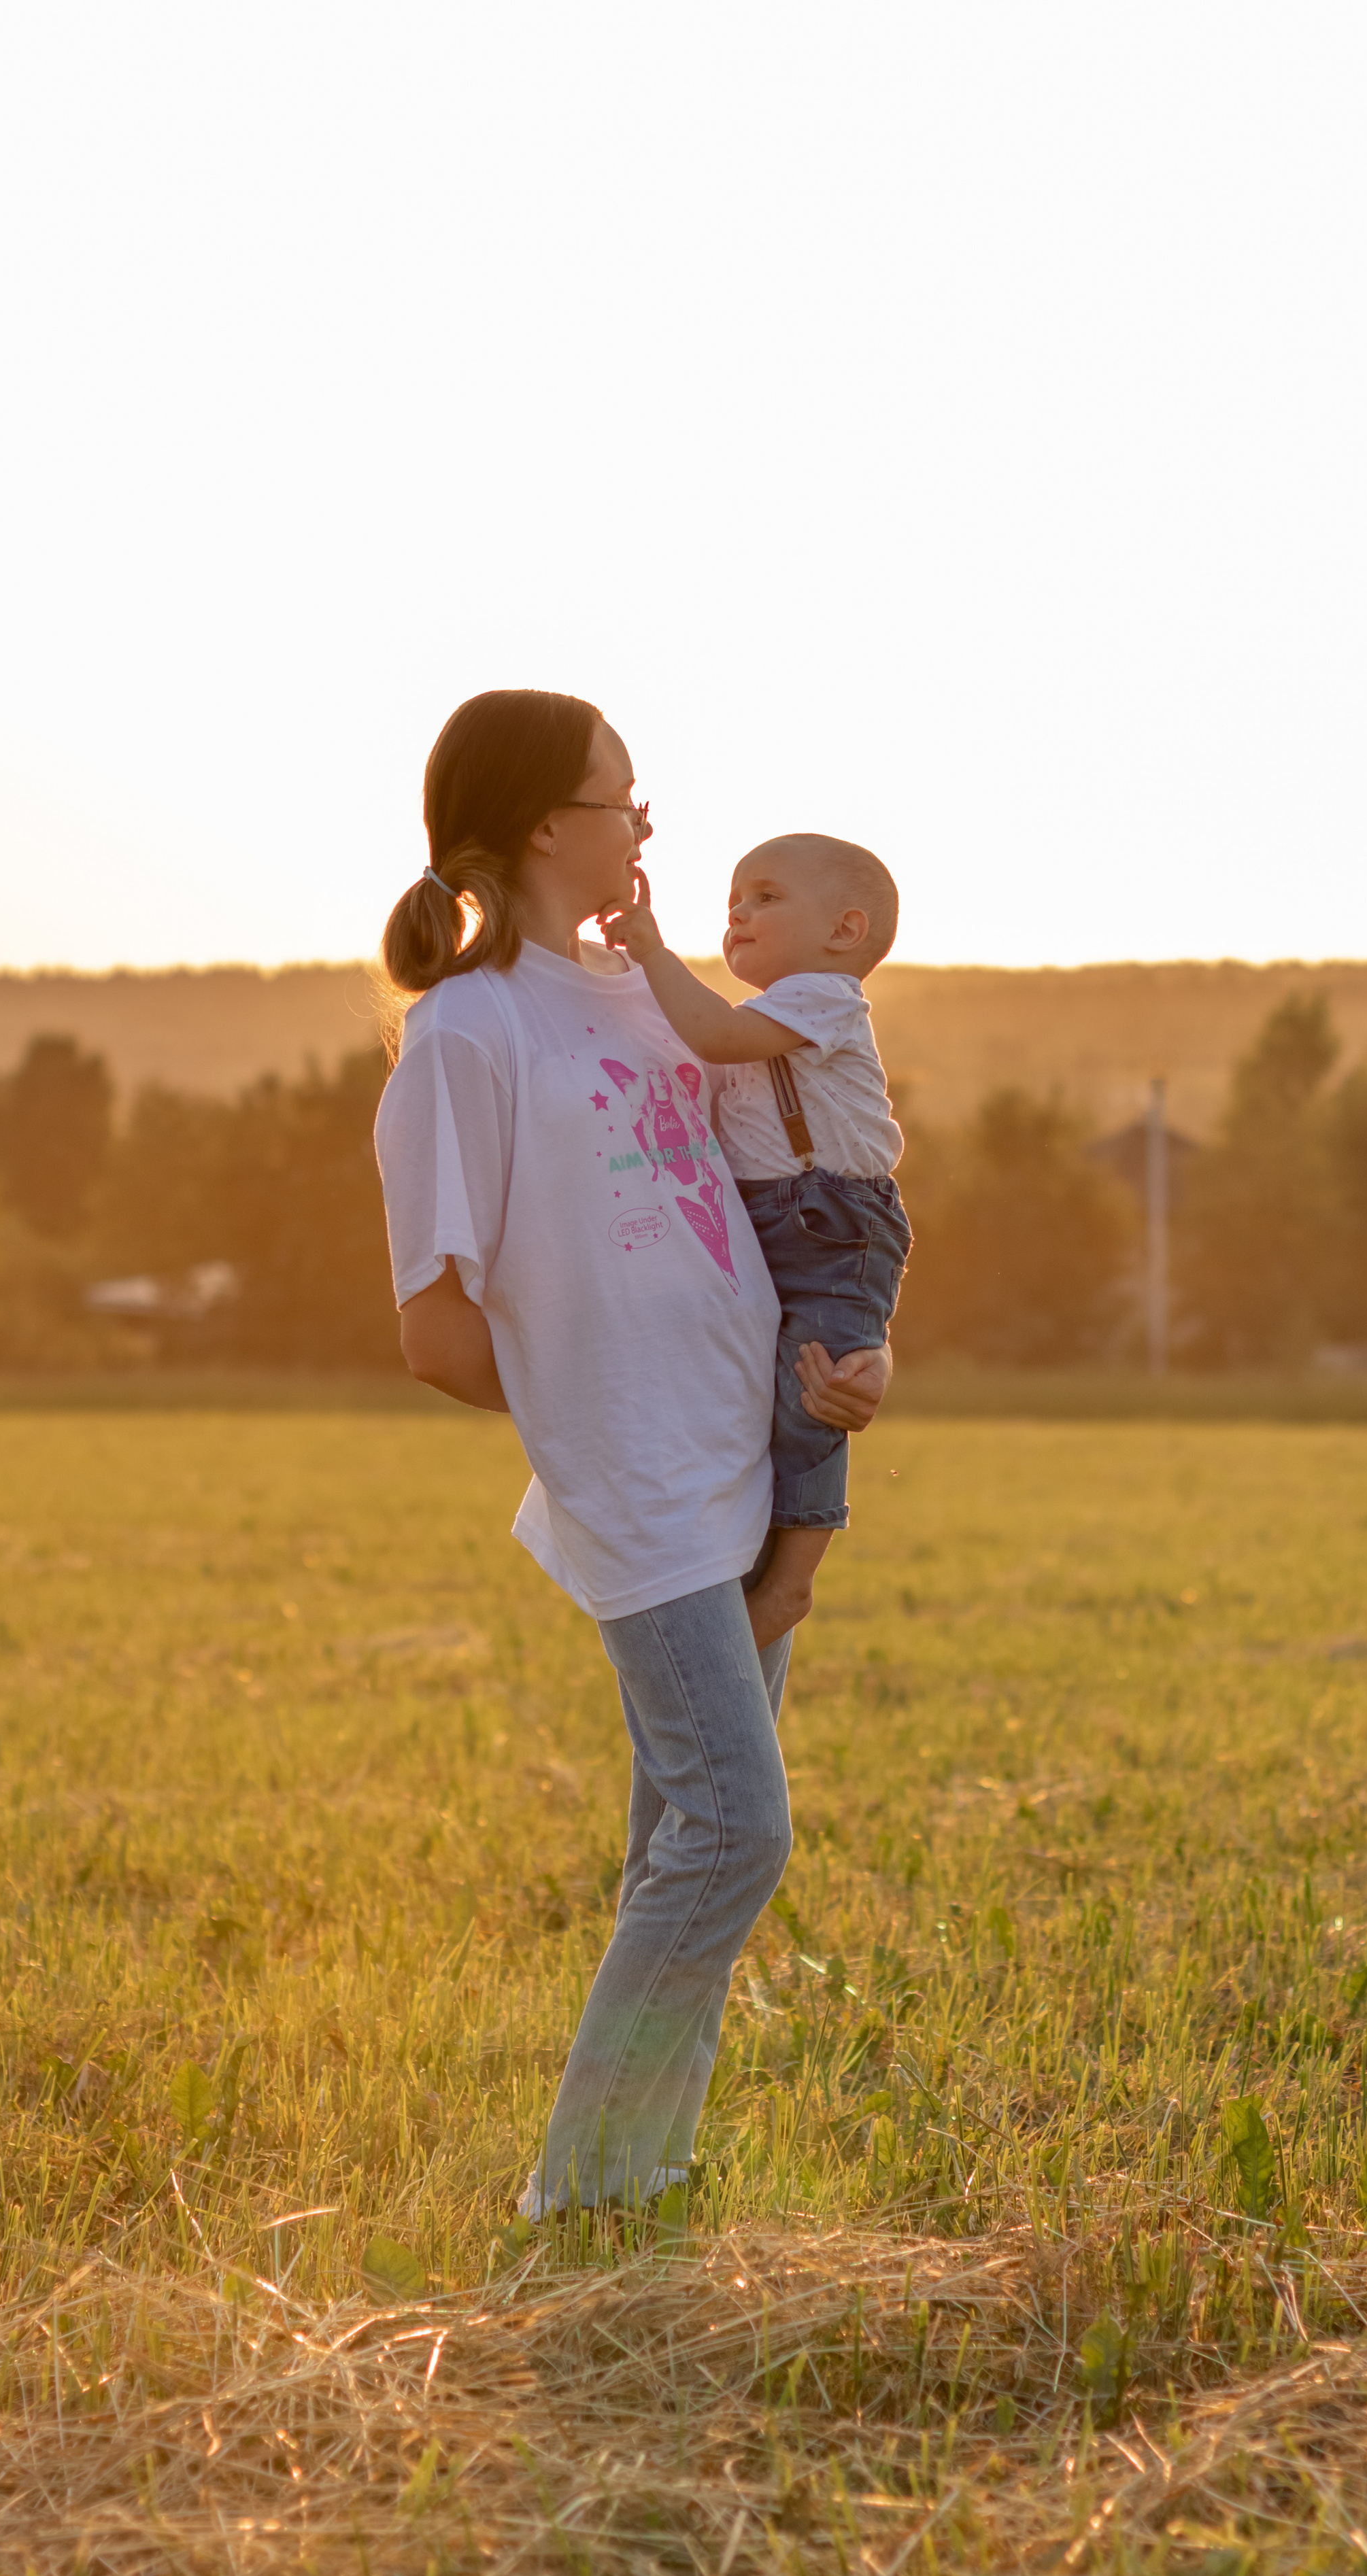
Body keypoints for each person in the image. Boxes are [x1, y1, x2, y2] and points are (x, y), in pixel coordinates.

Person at [371, 689, 890, 2217]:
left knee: (683, 1845)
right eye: (626, 795)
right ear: (550, 825)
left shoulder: (639, 996)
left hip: (746, 1458)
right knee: (735, 1833)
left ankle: (639, 2181)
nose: (648, 824)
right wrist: (603, 1420)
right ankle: (577, 2196)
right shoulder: (465, 1037)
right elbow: (434, 1331)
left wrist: (839, 1361)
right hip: (642, 1486)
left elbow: (794, 1193)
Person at [598, 836, 911, 1647]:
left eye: (766, 897)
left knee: (818, 1390)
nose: (737, 912)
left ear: (844, 931)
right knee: (762, 1392)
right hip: (766, 1218)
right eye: (735, 897)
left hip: (833, 1225)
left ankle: (793, 1582)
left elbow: (714, 1034)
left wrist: (652, 952)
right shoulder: (767, 1009)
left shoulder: (822, 997)